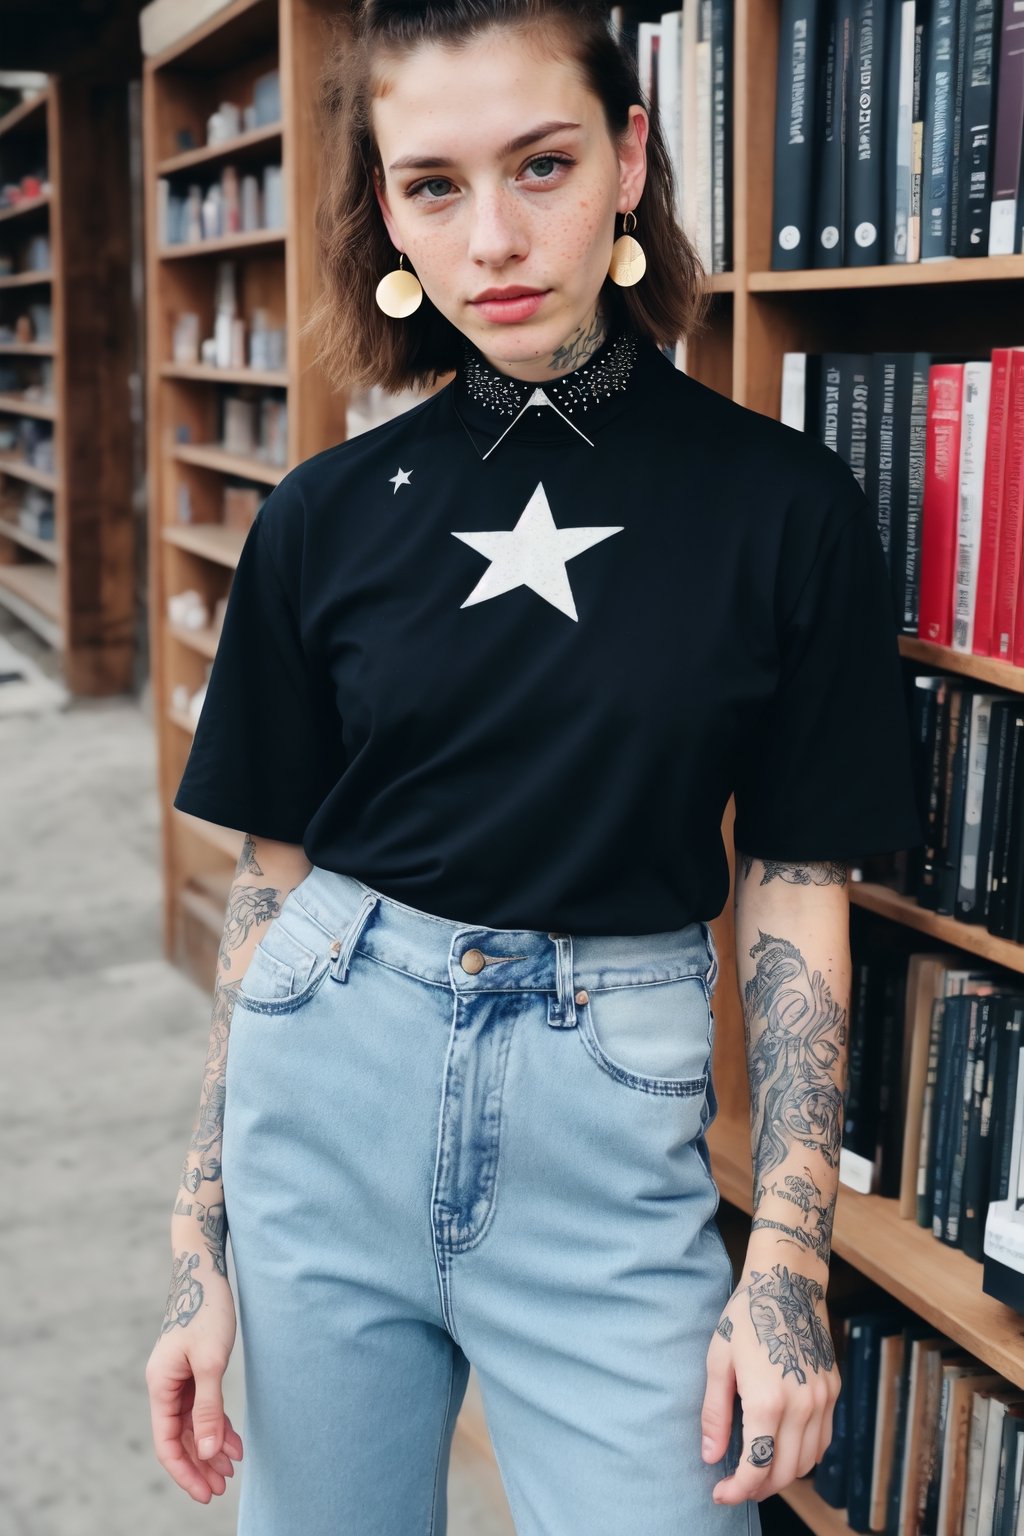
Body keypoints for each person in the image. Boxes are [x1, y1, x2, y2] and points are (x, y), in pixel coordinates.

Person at [145, 1, 924, 1531]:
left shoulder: (788, 506)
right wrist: (198, 1254)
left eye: (544, 164)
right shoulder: (320, 515)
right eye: (433, 184)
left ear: (630, 158)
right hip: (327, 1080)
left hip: (608, 1107)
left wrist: (786, 1257)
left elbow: (794, 885)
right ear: (386, 209)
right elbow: (272, 888)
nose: (494, 235)